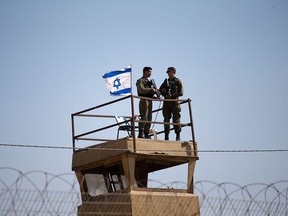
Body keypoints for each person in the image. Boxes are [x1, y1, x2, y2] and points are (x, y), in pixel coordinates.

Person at [159, 67, 183, 141]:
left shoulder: (177, 81)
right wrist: (163, 91)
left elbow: (181, 92)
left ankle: (178, 135)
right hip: (166, 102)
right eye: (168, 72)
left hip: (174, 102)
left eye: (169, 72)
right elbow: (160, 90)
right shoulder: (165, 82)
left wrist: (173, 95)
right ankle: (166, 136)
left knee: (176, 120)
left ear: (173, 72)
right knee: (166, 119)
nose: (168, 73)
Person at [136, 67, 157, 138]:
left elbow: (149, 92)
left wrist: (154, 95)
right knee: (144, 117)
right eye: (149, 72)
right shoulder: (140, 81)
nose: (150, 73)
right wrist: (151, 89)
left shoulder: (149, 82)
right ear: (145, 72)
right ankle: (140, 134)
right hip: (144, 101)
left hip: (149, 101)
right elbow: (141, 90)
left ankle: (146, 134)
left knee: (149, 119)